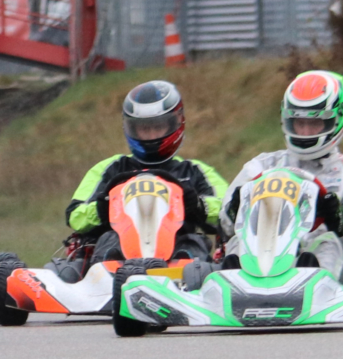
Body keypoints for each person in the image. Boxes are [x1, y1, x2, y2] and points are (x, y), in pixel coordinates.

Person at [229, 70, 343, 281]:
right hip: (263, 262)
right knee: (235, 244)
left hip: (335, 280)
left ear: (336, 120)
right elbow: (224, 227)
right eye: (298, 123)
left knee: (326, 243)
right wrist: (234, 210)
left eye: (314, 123)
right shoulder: (260, 166)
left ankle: (314, 292)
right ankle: (229, 294)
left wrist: (338, 220)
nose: (304, 132)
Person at [60, 79, 228, 264]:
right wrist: (102, 208)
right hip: (118, 250)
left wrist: (197, 205)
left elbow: (228, 211)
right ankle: (109, 281)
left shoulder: (194, 171)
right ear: (131, 128)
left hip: (177, 249)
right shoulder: (110, 168)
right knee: (107, 242)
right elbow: (75, 216)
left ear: (175, 123)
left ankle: (185, 281)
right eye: (144, 129)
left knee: (194, 243)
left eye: (158, 127)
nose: (151, 135)